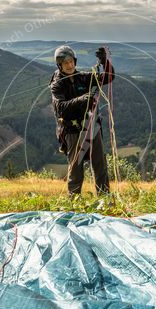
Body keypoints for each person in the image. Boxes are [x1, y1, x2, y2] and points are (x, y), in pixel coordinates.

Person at [48, 44, 115, 196]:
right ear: (60, 65)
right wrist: (82, 99)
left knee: (100, 166)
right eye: (65, 63)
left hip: (92, 128)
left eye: (71, 61)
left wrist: (105, 62)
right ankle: (74, 204)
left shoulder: (82, 78)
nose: (70, 65)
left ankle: (104, 200)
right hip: (72, 131)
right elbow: (60, 108)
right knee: (76, 170)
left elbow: (109, 77)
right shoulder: (57, 85)